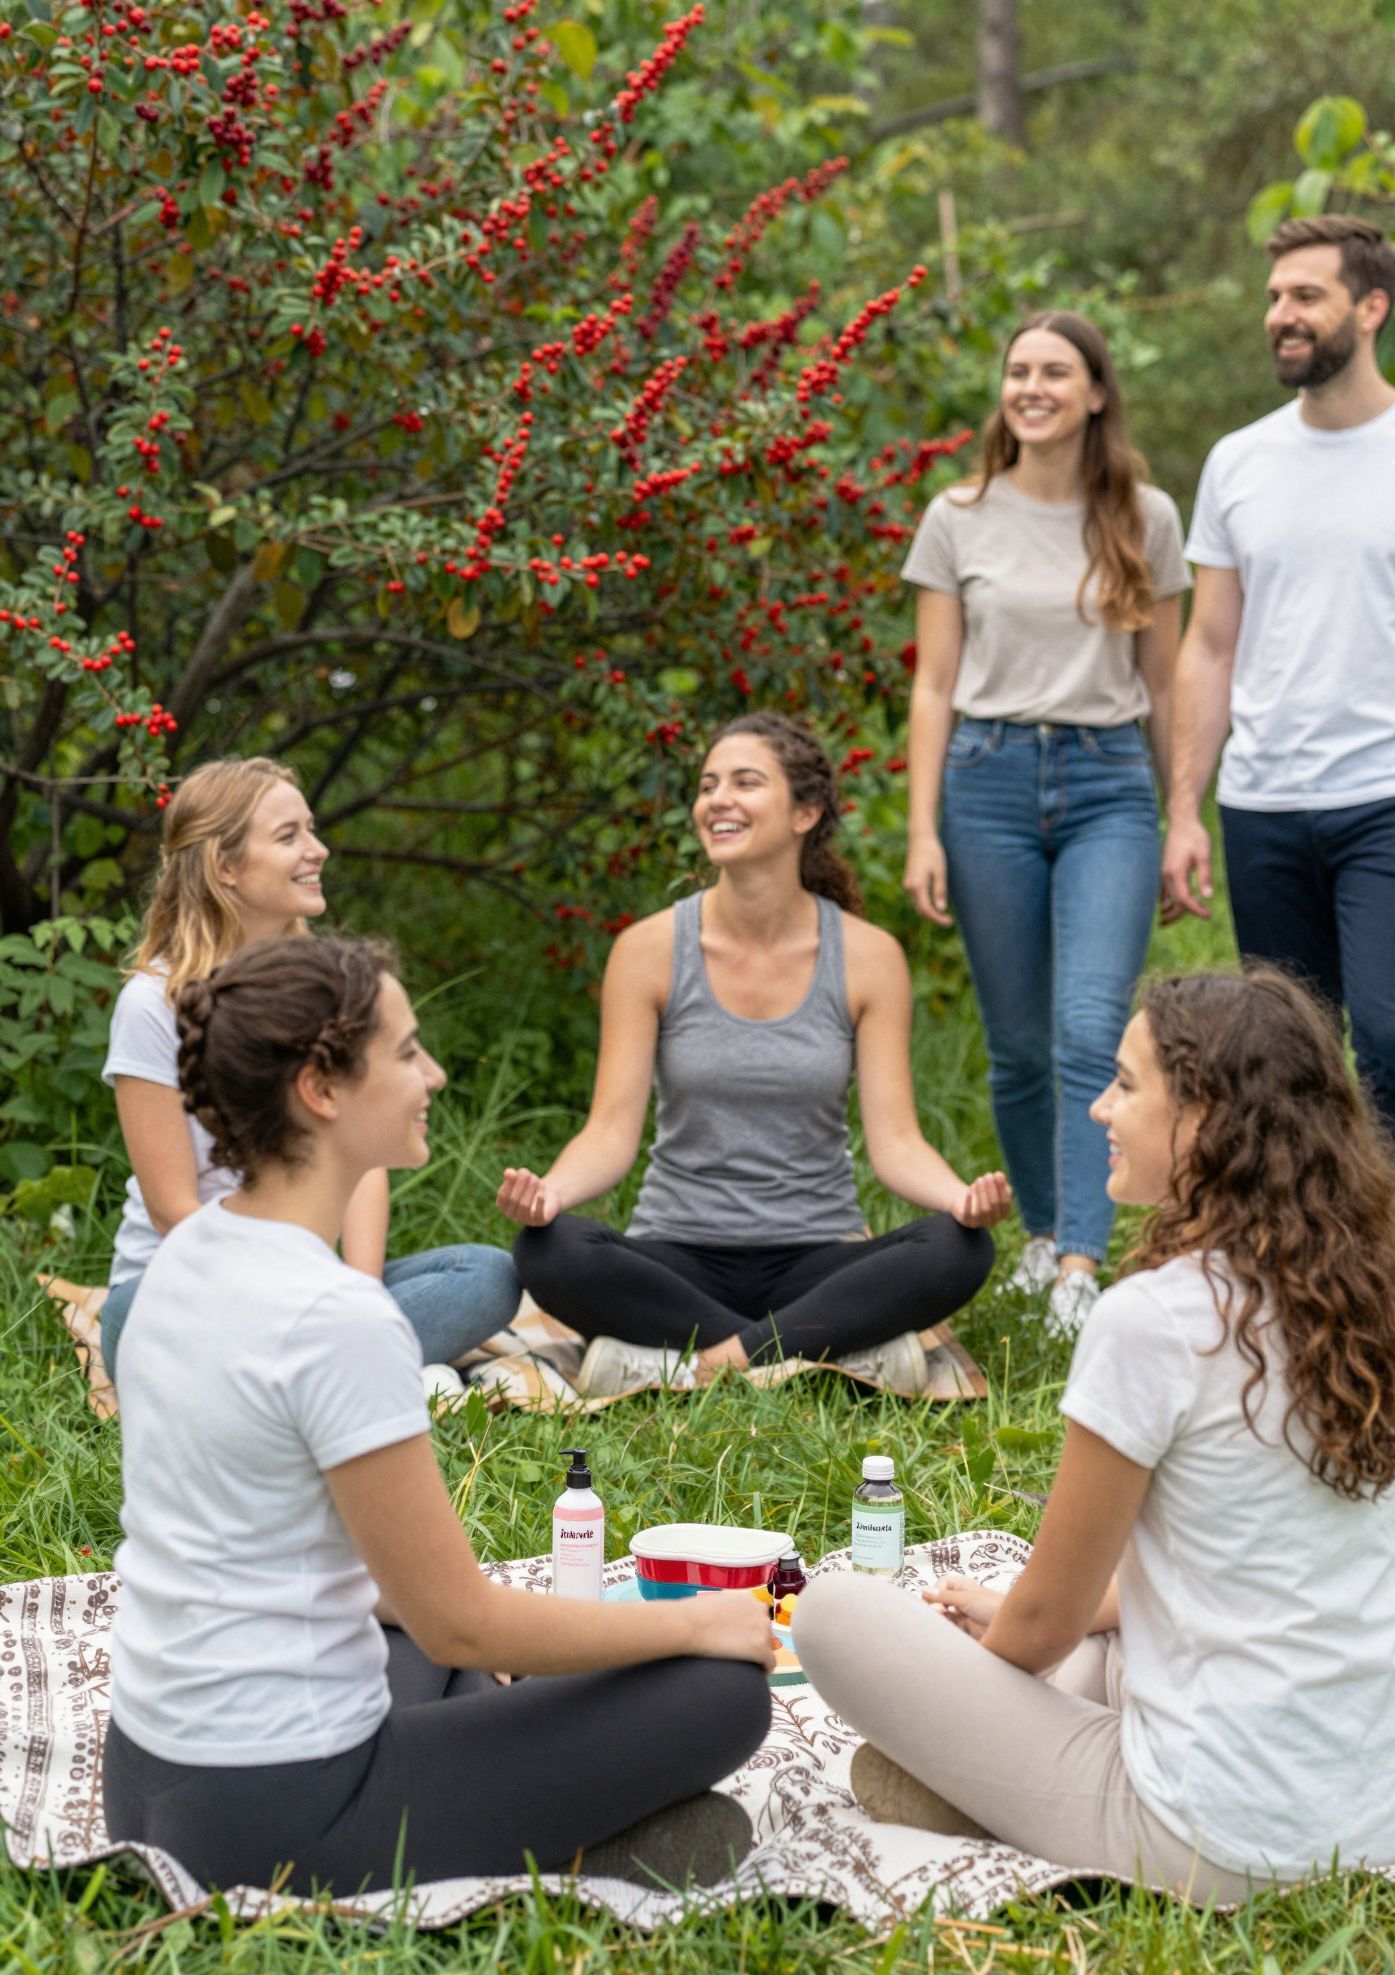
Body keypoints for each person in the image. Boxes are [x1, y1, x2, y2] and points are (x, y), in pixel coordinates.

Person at [103, 933, 774, 1896]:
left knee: (439, 1644)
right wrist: (704, 1624)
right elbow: (461, 1624)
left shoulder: (184, 1259)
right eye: (408, 1051)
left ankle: (534, 1815)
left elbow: (405, 1605)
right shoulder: (337, 1316)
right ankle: (580, 1853)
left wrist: (490, 1638)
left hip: (146, 1782)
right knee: (721, 1692)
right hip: (285, 1820)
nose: (436, 1073)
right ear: (321, 1089)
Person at [793, 967, 1395, 1901]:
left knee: (833, 1612)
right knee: (1103, 1648)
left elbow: (1041, 1623)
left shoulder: (1154, 1319)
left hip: (1223, 1839)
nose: (1100, 1107)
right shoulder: (1384, 1300)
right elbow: (1247, 1560)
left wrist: (965, 1692)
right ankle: (975, 1775)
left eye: (1127, 1084)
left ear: (1208, 1118)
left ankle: (961, 1781)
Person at [1161, 214, 1395, 1217]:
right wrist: (1186, 808)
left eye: (1305, 296)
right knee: (1280, 1053)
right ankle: (1304, 1261)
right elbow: (1209, 645)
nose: (1282, 315)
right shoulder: (1237, 462)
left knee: (1394, 1030)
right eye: (1276, 296)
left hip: (1394, 795)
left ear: (1371, 308)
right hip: (1263, 801)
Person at [499, 712, 1010, 1398]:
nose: (717, 800)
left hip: (817, 1256)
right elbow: (609, 1132)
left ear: (806, 812)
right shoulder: (648, 951)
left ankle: (705, 1362)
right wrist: (549, 1196)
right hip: (676, 1256)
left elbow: (896, 1142)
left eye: (745, 782)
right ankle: (806, 1348)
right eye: (708, 785)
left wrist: (962, 1201)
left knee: (960, 1249)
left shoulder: (868, 957)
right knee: (547, 1249)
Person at [901, 310, 1189, 1336]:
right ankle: (1035, 1240)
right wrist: (921, 829)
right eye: (1017, 369)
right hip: (985, 781)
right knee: (1018, 1042)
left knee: (1085, 1030)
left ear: (1096, 392)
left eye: (1054, 371)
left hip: (1111, 781)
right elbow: (932, 683)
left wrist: (1183, 815)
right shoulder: (959, 514)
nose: (1031, 386)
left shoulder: (1145, 516)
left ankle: (1079, 1259)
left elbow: (1166, 682)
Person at [99, 756, 522, 1404]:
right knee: (129, 1315)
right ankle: (348, 1371)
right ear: (225, 866)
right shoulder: (152, 1004)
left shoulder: (325, 988)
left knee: (488, 1275)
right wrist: (296, 1294)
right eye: (289, 835)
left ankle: (320, 1367)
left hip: (314, 1287)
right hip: (193, 1288)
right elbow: (173, 1213)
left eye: (312, 830)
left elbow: (365, 1154)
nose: (317, 850)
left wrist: (357, 1297)